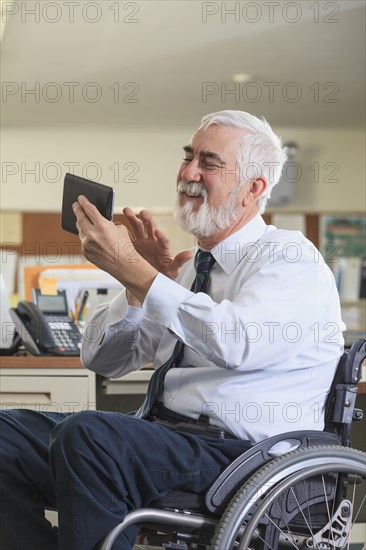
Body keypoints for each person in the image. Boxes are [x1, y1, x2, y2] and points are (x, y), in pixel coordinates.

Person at [0, 110, 345, 550]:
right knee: (6, 433)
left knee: (88, 438)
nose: (188, 173)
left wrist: (145, 276)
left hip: (241, 456)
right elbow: (103, 360)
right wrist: (137, 283)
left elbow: (238, 342)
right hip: (168, 438)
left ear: (253, 189)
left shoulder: (289, 257)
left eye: (209, 162)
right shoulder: (183, 274)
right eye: (188, 156)